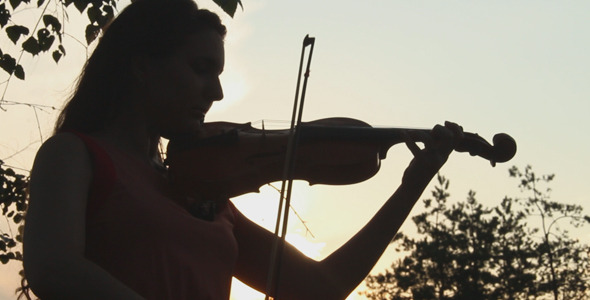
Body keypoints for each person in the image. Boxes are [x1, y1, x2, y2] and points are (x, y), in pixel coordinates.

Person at [22, 0, 463, 299]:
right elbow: (53, 268)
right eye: (201, 69)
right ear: (141, 66)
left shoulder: (202, 191)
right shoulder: (74, 155)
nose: (215, 92)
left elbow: (320, 288)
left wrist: (412, 185)